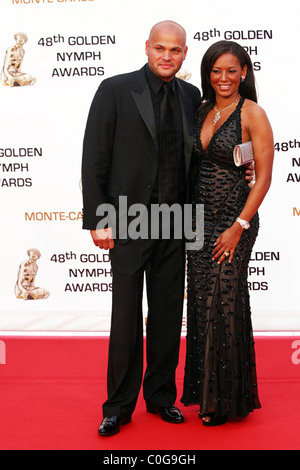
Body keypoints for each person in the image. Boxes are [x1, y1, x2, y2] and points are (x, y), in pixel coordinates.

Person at [81, 20, 201, 436]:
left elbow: (197, 158)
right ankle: (117, 406)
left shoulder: (192, 96)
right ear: (147, 48)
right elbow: (95, 157)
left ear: (185, 53)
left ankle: (162, 397)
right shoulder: (115, 89)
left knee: (168, 314)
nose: (167, 56)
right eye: (160, 48)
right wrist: (98, 219)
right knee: (127, 316)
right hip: (129, 220)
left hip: (177, 220)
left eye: (175, 50)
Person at [181, 40, 274, 426]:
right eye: (216, 71)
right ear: (208, 74)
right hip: (197, 223)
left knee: (225, 301)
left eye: (231, 70)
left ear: (244, 73)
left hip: (234, 222)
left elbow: (263, 178)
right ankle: (209, 394)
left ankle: (225, 401)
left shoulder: (252, 113)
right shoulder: (200, 109)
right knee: (204, 307)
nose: (223, 78)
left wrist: (240, 225)